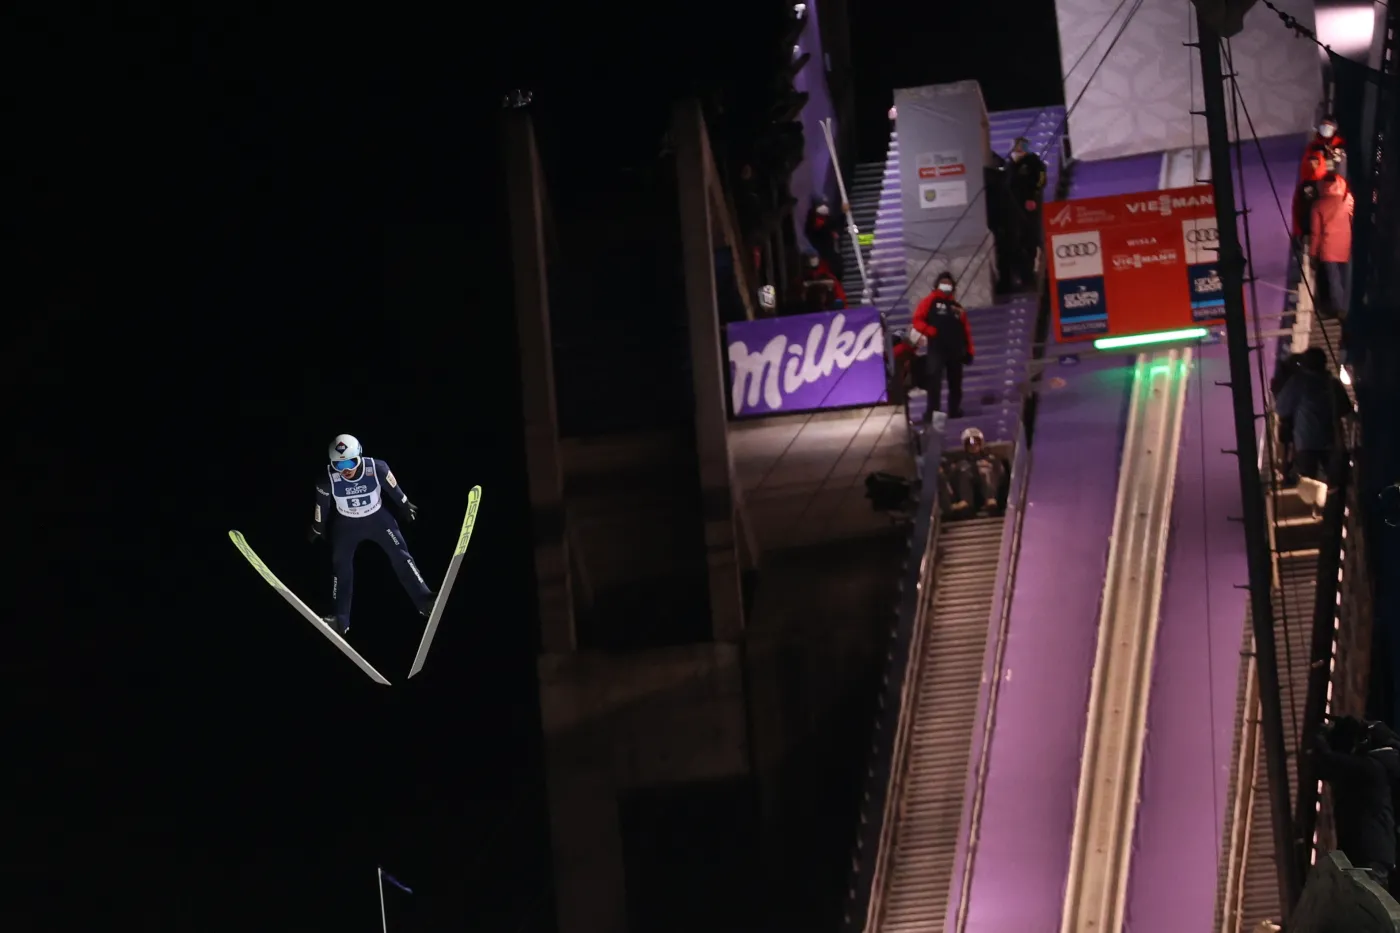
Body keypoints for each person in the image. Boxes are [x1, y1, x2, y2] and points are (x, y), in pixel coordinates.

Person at [310, 433, 436, 635]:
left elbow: (394, 488)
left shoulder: (376, 468)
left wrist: (405, 505)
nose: (346, 470)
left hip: (377, 520)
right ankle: (340, 620)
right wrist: (317, 527)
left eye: (350, 463)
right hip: (347, 525)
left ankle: (425, 601)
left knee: (401, 555)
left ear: (359, 456)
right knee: (340, 566)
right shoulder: (326, 479)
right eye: (339, 466)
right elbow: (321, 507)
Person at [1311, 715, 1400, 887]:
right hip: (1373, 861)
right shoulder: (1379, 769)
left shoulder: (1370, 769)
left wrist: (1317, 738)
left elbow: (1324, 764)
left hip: (1367, 862)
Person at [1274, 347, 1352, 485]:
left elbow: (1281, 408)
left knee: (1307, 486)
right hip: (1332, 442)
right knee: (1337, 485)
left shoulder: (1298, 382)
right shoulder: (1332, 383)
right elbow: (1346, 412)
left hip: (1306, 442)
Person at [910, 271, 974, 422]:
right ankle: (933, 412)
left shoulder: (958, 308)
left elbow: (966, 331)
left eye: (949, 283)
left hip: (956, 350)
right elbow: (917, 320)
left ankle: (954, 410)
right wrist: (931, 331)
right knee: (934, 381)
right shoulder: (929, 301)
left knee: (956, 382)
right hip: (937, 348)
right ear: (937, 284)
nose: (947, 285)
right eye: (944, 282)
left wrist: (970, 350)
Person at [1309, 172, 1355, 319]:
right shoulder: (1347, 199)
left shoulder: (1318, 205)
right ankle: (1348, 308)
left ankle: (1339, 308)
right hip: (1347, 244)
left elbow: (1316, 233)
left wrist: (1313, 253)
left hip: (1328, 248)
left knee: (1333, 280)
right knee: (1347, 278)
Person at [1005, 137, 1047, 288]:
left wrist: (1033, 195)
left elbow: (1042, 179)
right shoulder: (1009, 164)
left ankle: (1031, 275)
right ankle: (1019, 276)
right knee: (1016, 242)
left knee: (1030, 240)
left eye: (1021, 145)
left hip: (1029, 208)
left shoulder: (1033, 162)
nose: (1018, 148)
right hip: (1012, 210)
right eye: (1016, 145)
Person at [940, 426, 1007, 517]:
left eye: (976, 443)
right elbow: (952, 477)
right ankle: (965, 501)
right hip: (971, 495)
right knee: (964, 469)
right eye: (970, 444)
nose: (973, 446)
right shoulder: (960, 461)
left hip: (989, 491)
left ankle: (990, 499)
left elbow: (1001, 474)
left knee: (985, 469)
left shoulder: (991, 458)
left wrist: (985, 466)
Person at [804, 194, 848, 283]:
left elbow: (835, 224)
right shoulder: (814, 225)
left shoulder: (826, 221)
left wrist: (844, 213)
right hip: (826, 258)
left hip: (831, 256)